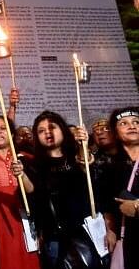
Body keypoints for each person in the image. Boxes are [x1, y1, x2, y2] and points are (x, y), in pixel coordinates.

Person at [32, 110, 106, 268]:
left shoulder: (75, 156)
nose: (47, 132)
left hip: (86, 232)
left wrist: (82, 146)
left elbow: (85, 165)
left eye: (52, 127)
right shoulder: (34, 165)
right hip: (54, 237)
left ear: (63, 130)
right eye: (41, 131)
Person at [0, 115, 40, 269]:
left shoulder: (27, 158)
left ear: (12, 134)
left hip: (23, 218)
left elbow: (35, 191)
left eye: (3, 128)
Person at [104, 106, 139, 269]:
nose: (132, 126)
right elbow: (107, 203)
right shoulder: (110, 166)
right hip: (127, 240)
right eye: (124, 123)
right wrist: (110, 230)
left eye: (136, 122)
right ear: (115, 133)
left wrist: (137, 207)